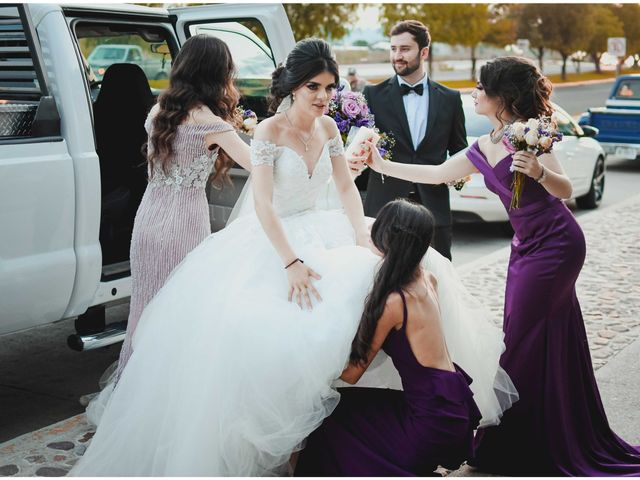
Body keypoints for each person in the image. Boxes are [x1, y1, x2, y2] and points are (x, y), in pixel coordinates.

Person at [70, 39, 515, 477]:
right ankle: (278, 450)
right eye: (314, 88)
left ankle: (334, 441)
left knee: (383, 293)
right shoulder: (267, 131)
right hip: (274, 238)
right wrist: (290, 262)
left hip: (324, 227)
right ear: (293, 88)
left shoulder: (328, 129)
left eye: (329, 88)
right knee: (271, 340)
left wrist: (361, 236)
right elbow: (263, 204)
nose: (323, 98)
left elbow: (344, 188)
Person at [363, 56, 640, 476]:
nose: (473, 93)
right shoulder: (484, 144)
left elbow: (564, 191)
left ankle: (517, 439)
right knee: (533, 336)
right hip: (524, 246)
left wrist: (541, 170)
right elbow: (438, 173)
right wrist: (381, 166)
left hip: (557, 244)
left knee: (523, 341)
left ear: (501, 97)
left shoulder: (527, 135)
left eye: (480, 87)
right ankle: (546, 430)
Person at [86, 35, 252, 423]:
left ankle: (130, 399)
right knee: (181, 312)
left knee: (144, 309)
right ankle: (167, 406)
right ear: (217, 73)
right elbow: (258, 165)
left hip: (148, 218)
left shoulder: (159, 110)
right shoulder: (211, 123)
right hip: (184, 223)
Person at [295, 199, 482, 476]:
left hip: (429, 422)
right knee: (356, 408)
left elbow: (351, 375)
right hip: (450, 408)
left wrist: (308, 367)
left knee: (327, 415)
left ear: (384, 237)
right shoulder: (428, 279)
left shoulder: (395, 302)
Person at [362, 20, 467, 260]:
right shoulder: (372, 95)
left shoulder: (450, 99)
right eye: (393, 48)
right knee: (379, 277)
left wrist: (459, 177)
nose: (397, 56)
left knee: (438, 277)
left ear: (424, 52)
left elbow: (459, 150)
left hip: (434, 209)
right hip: (383, 208)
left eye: (405, 49)